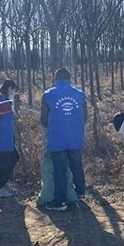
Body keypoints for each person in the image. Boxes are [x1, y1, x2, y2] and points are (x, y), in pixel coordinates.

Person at [41, 67, 87, 211]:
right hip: (75, 137)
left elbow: (43, 120)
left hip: (57, 138)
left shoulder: (48, 94)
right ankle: (80, 193)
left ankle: (60, 202)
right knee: (77, 165)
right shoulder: (80, 94)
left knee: (59, 170)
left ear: (56, 79)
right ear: (69, 78)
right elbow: (85, 118)